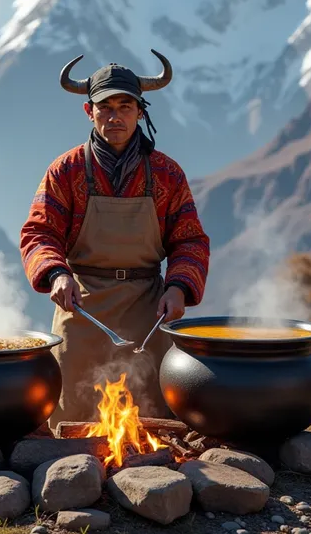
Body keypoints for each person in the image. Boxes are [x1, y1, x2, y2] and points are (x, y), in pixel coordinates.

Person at [19, 49, 210, 429]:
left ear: (140, 111)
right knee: (70, 412)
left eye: (125, 106)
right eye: (105, 107)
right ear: (89, 112)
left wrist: (178, 289)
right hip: (82, 307)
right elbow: (39, 232)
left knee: (151, 417)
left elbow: (190, 241)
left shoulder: (167, 174)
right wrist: (57, 274)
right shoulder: (65, 170)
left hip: (148, 309)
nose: (115, 116)